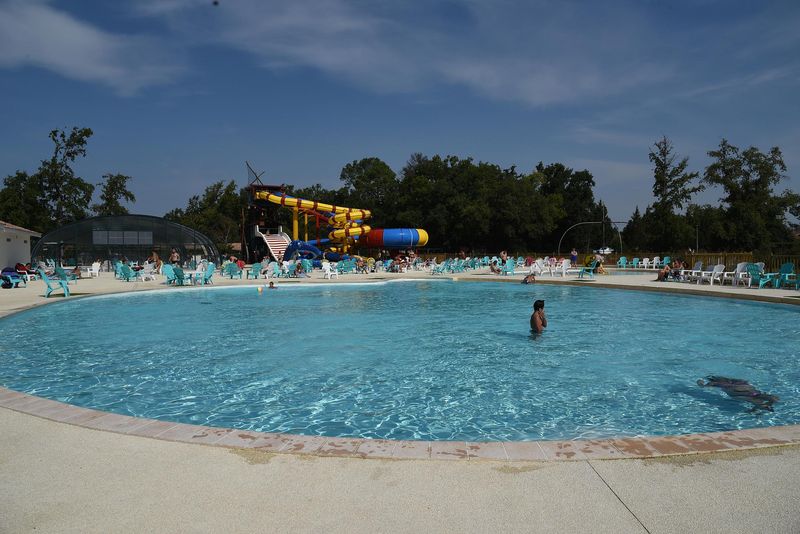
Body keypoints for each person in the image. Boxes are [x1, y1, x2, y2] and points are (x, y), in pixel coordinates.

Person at [697, 376, 778, 412]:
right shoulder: (743, 384)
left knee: (754, 398)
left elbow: (703, 386)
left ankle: (761, 406)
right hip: (744, 390)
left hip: (742, 390)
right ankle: (761, 406)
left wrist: (700, 383)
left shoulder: (722, 384)